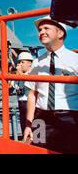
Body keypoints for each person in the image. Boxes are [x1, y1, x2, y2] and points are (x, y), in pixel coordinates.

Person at [23, 16, 78, 153]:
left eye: (46, 28)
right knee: (38, 150)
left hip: (70, 117)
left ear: (60, 33)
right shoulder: (36, 63)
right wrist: (29, 124)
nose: (41, 32)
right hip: (41, 117)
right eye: (40, 29)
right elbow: (32, 94)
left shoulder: (75, 60)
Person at [13, 51, 33, 134]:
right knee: (23, 127)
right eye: (19, 62)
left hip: (30, 104)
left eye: (22, 62)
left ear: (29, 63)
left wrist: (20, 73)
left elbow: (29, 83)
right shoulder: (19, 74)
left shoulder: (33, 73)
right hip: (21, 103)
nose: (20, 65)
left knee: (31, 128)